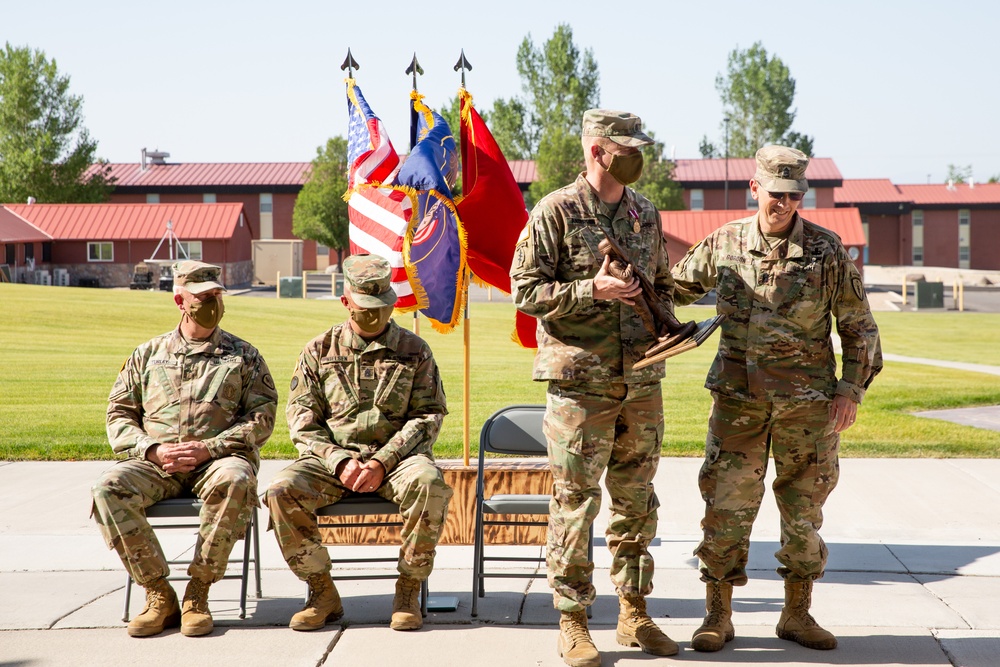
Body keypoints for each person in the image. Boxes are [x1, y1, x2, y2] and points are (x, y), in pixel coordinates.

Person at [671, 145, 883, 652]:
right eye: (776, 193)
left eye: (793, 195)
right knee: (725, 508)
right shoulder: (724, 243)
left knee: (803, 512)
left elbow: (860, 329)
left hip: (808, 408)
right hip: (738, 405)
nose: (784, 203)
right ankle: (717, 615)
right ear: (755, 189)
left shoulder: (828, 252)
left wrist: (850, 391)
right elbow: (672, 287)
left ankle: (797, 614)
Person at [510, 109, 682, 667]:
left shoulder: (645, 213)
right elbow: (524, 290)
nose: (635, 155)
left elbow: (660, 285)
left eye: (638, 144)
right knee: (575, 504)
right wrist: (592, 289)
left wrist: (670, 319)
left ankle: (633, 612)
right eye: (624, 146)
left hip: (642, 381)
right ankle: (573, 621)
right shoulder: (555, 211)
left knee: (637, 503)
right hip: (580, 385)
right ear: (597, 149)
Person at [266, 253, 452, 633]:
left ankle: (408, 589)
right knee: (281, 490)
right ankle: (322, 592)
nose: (373, 316)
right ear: (345, 301)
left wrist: (383, 461)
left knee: (429, 483)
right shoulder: (319, 350)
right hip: (332, 465)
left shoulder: (415, 351)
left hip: (397, 462)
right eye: (364, 307)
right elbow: (301, 420)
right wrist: (339, 461)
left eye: (381, 308)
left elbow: (429, 415)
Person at [92, 260, 278, 638]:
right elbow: (119, 415)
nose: (212, 303)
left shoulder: (243, 356)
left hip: (217, 462)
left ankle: (198, 592)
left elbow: (262, 417)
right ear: (181, 300)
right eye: (202, 297)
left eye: (216, 296)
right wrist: (152, 449)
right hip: (157, 464)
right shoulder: (148, 354)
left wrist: (211, 448)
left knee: (237, 479)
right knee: (107, 488)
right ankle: (158, 594)